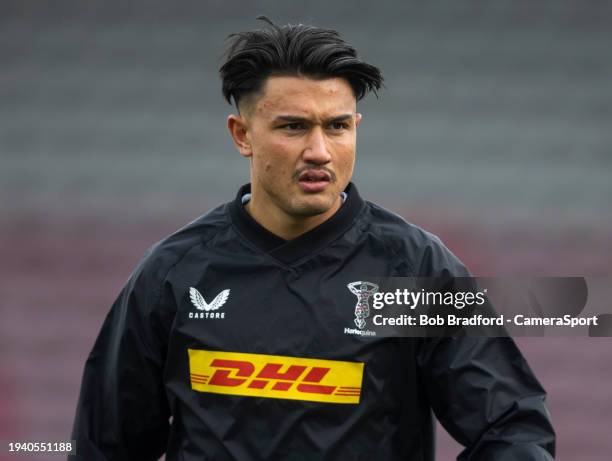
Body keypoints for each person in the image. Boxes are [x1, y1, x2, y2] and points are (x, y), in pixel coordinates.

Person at [70, 16, 555, 461]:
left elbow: (514, 431)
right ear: (243, 135)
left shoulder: (413, 268)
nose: (320, 151)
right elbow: (104, 446)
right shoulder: (174, 273)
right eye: (293, 127)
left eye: (338, 127)